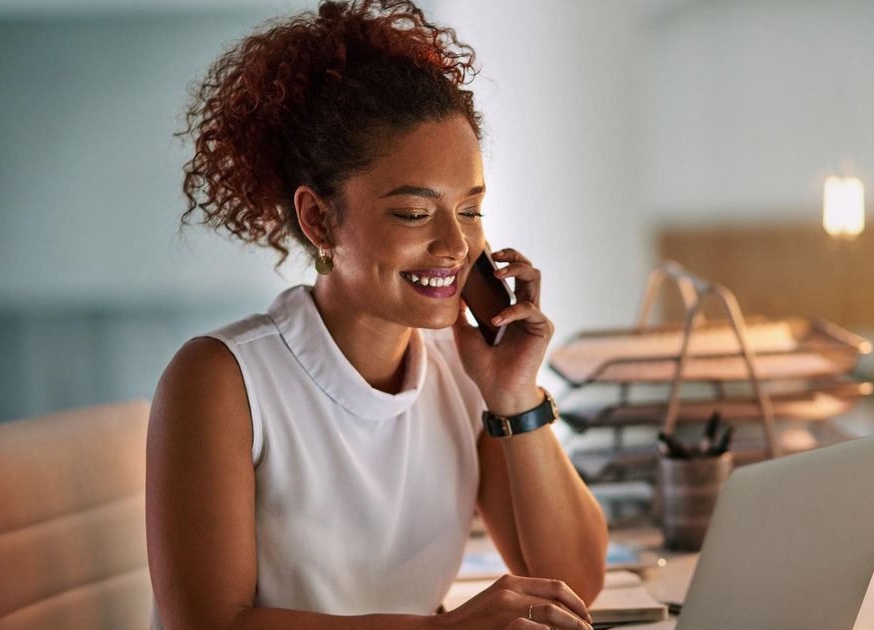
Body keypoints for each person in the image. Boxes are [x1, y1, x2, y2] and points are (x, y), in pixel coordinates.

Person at [145, 1, 608, 628]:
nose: (454, 245)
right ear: (319, 220)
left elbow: (573, 585)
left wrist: (516, 395)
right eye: (415, 214)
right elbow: (209, 624)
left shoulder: (461, 372)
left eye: (469, 210)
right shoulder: (222, 379)